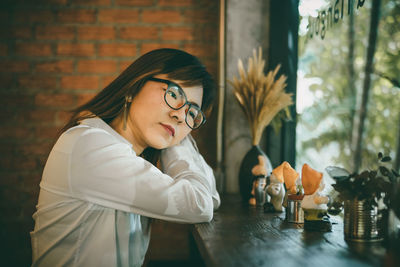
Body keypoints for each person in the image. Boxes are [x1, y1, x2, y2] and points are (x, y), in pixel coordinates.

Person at [30, 48, 221, 267]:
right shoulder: (90, 145)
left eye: (192, 113)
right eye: (174, 94)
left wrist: (174, 135)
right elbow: (199, 205)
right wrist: (175, 135)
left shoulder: (126, 154)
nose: (180, 114)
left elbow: (210, 194)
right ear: (133, 88)